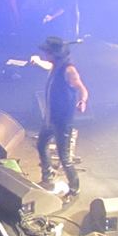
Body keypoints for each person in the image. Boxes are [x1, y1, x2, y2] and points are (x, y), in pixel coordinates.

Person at [29, 37, 88, 201]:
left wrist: (82, 101)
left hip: (62, 121)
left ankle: (75, 188)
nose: (44, 54)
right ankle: (48, 176)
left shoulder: (69, 70)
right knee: (41, 145)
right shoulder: (56, 65)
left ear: (54, 54)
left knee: (65, 158)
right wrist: (39, 61)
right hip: (50, 118)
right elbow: (48, 65)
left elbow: (82, 89)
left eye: (46, 53)